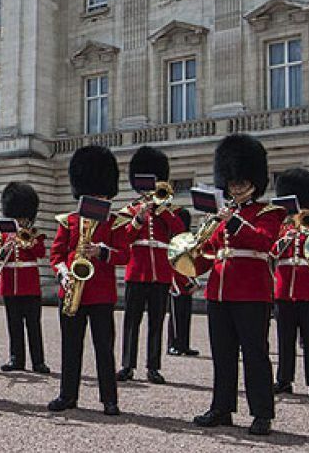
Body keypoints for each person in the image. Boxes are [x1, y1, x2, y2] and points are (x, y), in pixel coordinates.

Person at [189, 133, 286, 437]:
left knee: (255, 354)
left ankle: (262, 413)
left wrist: (232, 221)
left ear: (255, 184)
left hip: (251, 291)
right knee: (223, 353)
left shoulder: (270, 213)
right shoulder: (221, 217)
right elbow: (211, 253)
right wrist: (187, 266)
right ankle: (222, 408)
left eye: (241, 184)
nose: (236, 189)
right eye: (232, 184)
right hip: (219, 290)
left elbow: (264, 241)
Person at [47, 145, 128, 415]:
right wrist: (63, 273)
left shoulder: (114, 223)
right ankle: (68, 396)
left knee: (104, 350)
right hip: (71, 291)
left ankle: (110, 399)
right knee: (70, 348)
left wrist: (102, 252)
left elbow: (125, 255)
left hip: (101, 294)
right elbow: (56, 254)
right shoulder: (69, 221)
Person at [115, 145, 182, 385]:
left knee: (157, 322)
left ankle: (153, 366)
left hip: (161, 273)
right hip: (137, 271)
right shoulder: (129, 210)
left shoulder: (168, 210)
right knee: (132, 320)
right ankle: (127, 365)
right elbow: (123, 239)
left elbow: (180, 232)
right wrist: (139, 218)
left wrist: (161, 210)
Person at [270, 167, 309, 400]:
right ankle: (284, 380)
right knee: (285, 340)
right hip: (285, 291)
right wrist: (286, 239)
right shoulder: (282, 228)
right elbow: (272, 253)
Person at [0, 181, 48, 374]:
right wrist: (3, 249)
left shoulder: (35, 234)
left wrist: (28, 241)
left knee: (33, 325)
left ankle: (38, 361)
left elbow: (41, 252)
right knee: (14, 324)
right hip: (9, 286)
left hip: (30, 286)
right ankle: (16, 358)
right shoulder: (3, 235)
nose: (21, 221)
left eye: (23, 218)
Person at [166, 266, 198, 357]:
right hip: (177, 288)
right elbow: (175, 270)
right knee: (176, 319)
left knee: (185, 318)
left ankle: (184, 345)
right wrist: (189, 283)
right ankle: (173, 345)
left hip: (187, 290)